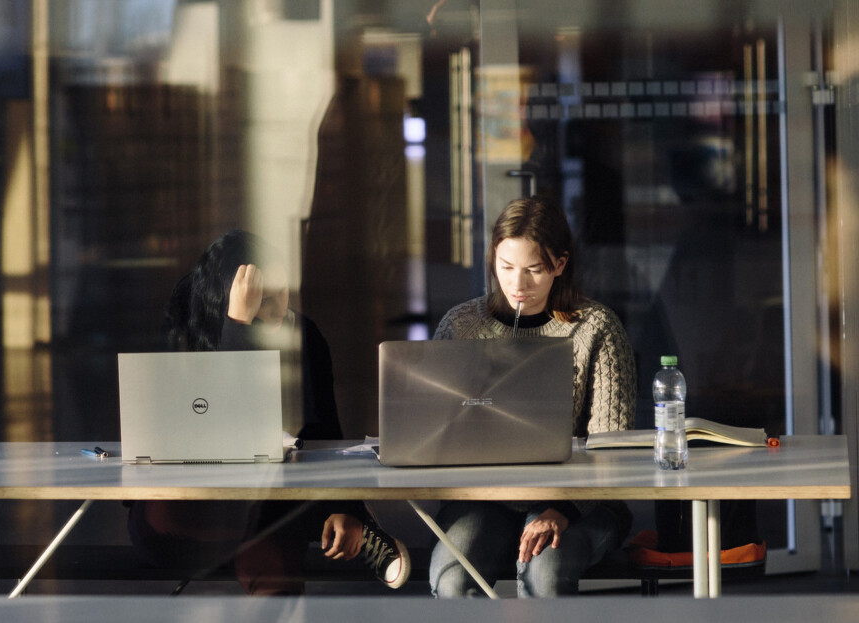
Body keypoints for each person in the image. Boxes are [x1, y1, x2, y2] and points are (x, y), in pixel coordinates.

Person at [127, 230, 411, 595]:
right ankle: (325, 519)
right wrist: (237, 327)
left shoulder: (304, 334)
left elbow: (328, 434)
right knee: (165, 516)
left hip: (268, 492)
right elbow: (214, 423)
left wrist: (347, 506)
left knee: (277, 580)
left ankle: (334, 516)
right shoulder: (186, 327)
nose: (280, 309)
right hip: (196, 505)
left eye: (283, 289)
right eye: (262, 299)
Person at [427, 197, 636, 598]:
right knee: (451, 580)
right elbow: (438, 434)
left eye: (533, 270)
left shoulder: (597, 329)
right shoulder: (461, 325)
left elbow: (613, 452)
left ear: (559, 264)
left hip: (580, 502)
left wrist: (564, 510)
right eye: (505, 268)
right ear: (493, 259)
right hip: (484, 500)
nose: (517, 285)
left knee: (543, 574)